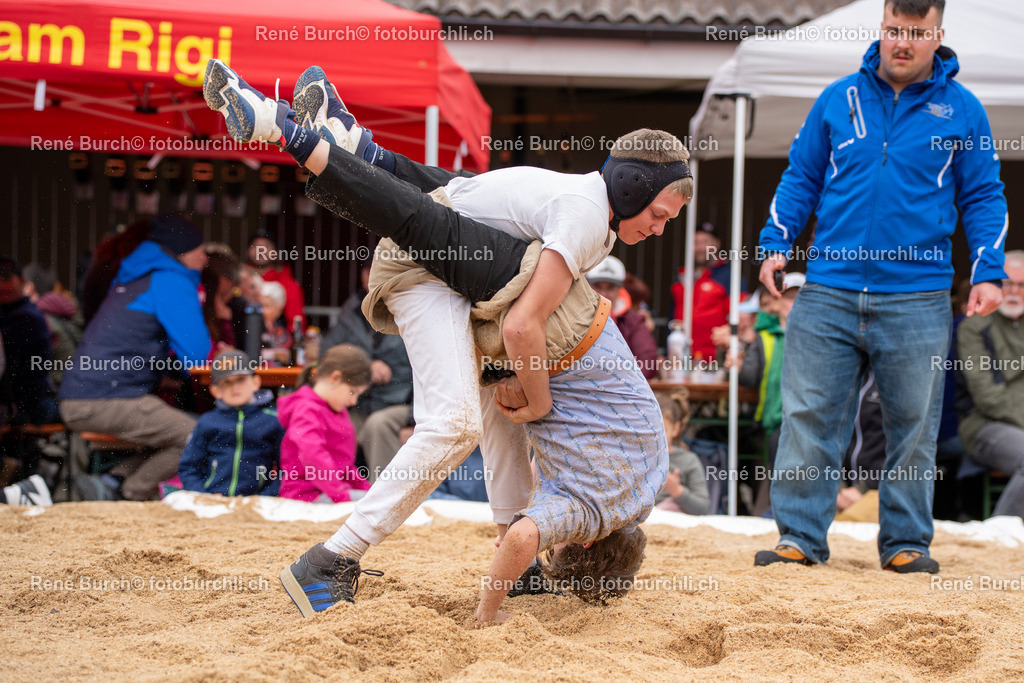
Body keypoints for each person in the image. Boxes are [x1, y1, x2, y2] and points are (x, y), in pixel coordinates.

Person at [205, 60, 687, 619]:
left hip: (452, 270)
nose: (659, 228)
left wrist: (365, 151)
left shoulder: (584, 209)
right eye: (659, 215)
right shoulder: (585, 218)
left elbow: (447, 190)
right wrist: (540, 400)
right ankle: (332, 559)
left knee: (500, 411)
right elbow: (516, 319)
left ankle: (343, 138)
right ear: (631, 188)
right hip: (424, 273)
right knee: (455, 424)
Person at [754, 0, 1007, 574]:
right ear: (882, 27)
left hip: (918, 293)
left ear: (937, 35)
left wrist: (988, 269)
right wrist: (776, 241)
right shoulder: (837, 97)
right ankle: (799, 538)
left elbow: (983, 195)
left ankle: (905, 543)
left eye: (916, 32)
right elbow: (800, 177)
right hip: (829, 286)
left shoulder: (963, 109)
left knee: (912, 426)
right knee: (809, 416)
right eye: (894, 29)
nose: (902, 42)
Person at [60, 215, 212, 501]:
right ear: (180, 251)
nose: (205, 258)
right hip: (105, 399)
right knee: (198, 435)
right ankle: (129, 493)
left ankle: (111, 483)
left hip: (84, 397)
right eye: (200, 250)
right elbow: (197, 357)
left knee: (177, 430)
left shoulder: (136, 276)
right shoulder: (171, 280)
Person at [320, 261, 413, 481]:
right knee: (333, 424)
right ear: (363, 274)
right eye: (369, 270)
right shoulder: (351, 311)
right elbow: (327, 358)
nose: (375, 275)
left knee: (378, 425)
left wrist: (414, 421)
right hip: (360, 403)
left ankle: (384, 495)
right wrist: (365, 367)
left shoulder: (411, 308)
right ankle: (334, 491)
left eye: (382, 268)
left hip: (404, 404)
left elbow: (430, 373)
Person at [956, 251, 1024, 519]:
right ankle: (1001, 534)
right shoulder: (975, 326)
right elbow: (987, 396)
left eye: (1021, 285)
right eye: (1007, 283)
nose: (1014, 291)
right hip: (986, 425)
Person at [178, 350, 284, 497]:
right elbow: (189, 467)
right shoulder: (208, 421)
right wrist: (203, 496)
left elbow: (287, 470)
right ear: (216, 391)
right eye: (226, 382)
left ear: (255, 382)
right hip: (212, 501)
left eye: (241, 379)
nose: (235, 387)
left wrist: (265, 498)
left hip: (257, 503)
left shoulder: (274, 420)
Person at [276, 344, 372, 503]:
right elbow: (312, 455)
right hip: (305, 496)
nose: (353, 401)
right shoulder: (306, 409)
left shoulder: (337, 410)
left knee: (382, 503)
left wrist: (369, 490)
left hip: (332, 492)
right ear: (335, 378)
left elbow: (345, 466)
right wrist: (340, 494)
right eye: (352, 392)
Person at [0, 257, 59, 427]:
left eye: (6, 279)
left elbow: (30, 379)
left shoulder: (28, 318)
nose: (1, 286)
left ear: (22, 281)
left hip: (33, 406)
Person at [670, 223, 736, 362]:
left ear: (717, 243)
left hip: (716, 360)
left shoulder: (730, 276)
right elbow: (672, 318)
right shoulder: (681, 276)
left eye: (705, 242)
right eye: (695, 242)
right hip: (681, 358)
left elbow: (740, 318)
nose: (700, 248)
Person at [586, 256, 659, 379]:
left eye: (610, 288)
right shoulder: (573, 317)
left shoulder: (634, 321)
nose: (603, 293)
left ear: (620, 289)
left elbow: (648, 361)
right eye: (597, 286)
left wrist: (619, 383)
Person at [654, 390, 710, 515]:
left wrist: (676, 490)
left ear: (676, 428)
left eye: (663, 430)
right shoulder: (637, 460)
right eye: (651, 431)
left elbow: (703, 508)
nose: (656, 437)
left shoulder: (689, 461)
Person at [247, 229, 306, 329]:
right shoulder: (239, 280)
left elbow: (296, 323)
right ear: (247, 251)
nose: (260, 250)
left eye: (266, 246)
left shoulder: (288, 283)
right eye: (255, 246)